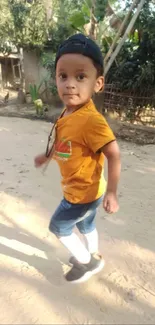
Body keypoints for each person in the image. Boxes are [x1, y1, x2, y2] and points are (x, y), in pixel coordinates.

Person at [34, 33, 121, 284]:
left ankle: (87, 262)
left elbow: (114, 155)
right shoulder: (69, 110)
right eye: (63, 76)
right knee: (85, 226)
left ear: (98, 83)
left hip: (81, 194)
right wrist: (47, 156)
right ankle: (93, 253)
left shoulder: (91, 121)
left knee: (58, 227)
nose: (70, 84)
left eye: (80, 76)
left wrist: (113, 194)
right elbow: (64, 143)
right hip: (90, 192)